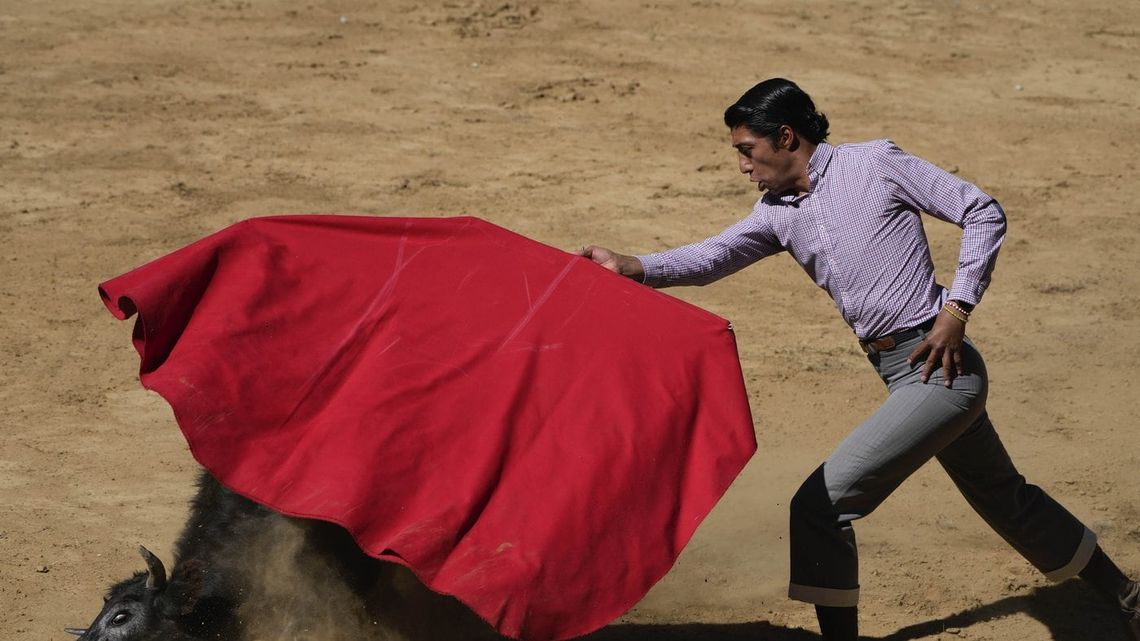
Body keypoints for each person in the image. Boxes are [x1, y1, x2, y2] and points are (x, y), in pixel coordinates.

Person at [576, 78, 1139, 641]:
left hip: (941, 367)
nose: (743, 166)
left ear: (785, 137)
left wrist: (958, 308)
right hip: (902, 374)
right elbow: (715, 253)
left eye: (746, 150)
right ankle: (1129, 597)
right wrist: (630, 265)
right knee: (1006, 497)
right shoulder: (777, 212)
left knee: (821, 504)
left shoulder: (875, 164)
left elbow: (982, 211)